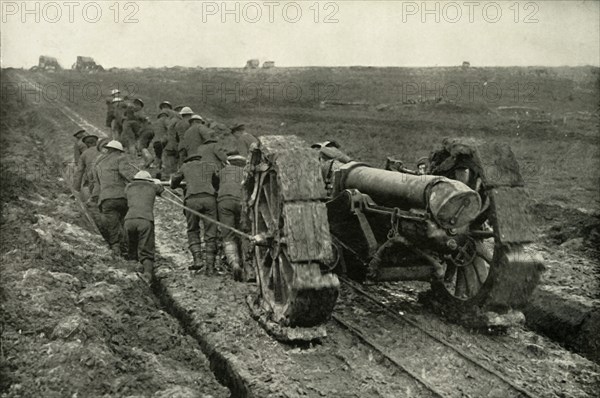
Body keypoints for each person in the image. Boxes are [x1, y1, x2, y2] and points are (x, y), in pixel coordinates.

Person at [170, 153, 219, 274]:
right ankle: (211, 267)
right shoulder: (209, 165)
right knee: (211, 231)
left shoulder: (185, 166)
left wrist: (176, 184)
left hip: (192, 200)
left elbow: (174, 182)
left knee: (193, 229)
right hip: (209, 199)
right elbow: (216, 181)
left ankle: (197, 260)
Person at [91, 140, 137, 257]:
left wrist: (95, 199)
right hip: (122, 197)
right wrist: (139, 181)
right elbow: (127, 174)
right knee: (125, 223)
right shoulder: (120, 158)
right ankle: (129, 251)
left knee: (112, 226)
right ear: (118, 151)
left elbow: (97, 185)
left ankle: (116, 250)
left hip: (106, 199)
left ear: (108, 149)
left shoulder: (98, 164)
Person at [124, 170, 164, 282]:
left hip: (129, 220)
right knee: (146, 251)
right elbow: (161, 189)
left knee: (132, 249)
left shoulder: (129, 187)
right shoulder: (152, 187)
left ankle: (132, 276)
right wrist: (157, 182)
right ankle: (147, 276)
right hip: (145, 220)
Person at [217, 155, 246, 281]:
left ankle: (234, 263)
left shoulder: (222, 171)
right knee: (243, 232)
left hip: (224, 201)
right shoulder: (245, 172)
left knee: (228, 235)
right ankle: (247, 262)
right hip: (241, 201)